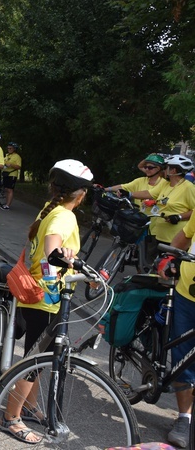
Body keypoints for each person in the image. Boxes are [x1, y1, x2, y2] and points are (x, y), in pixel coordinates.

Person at [0, 159, 93, 444]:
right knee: (35, 360)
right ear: (81, 194)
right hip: (47, 297)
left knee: (41, 357)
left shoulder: (50, 209)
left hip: (39, 293)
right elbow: (51, 256)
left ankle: (27, 405)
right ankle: (10, 417)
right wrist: (81, 269)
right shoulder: (64, 216)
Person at [157, 220, 195, 447]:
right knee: (184, 357)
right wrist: (169, 258)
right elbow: (184, 235)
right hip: (187, 296)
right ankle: (184, 418)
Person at [126, 155, 195, 246]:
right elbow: (149, 193)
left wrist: (179, 217)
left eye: (165, 168)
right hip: (158, 234)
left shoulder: (188, 187)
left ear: (173, 171)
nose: (163, 170)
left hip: (174, 238)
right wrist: (129, 194)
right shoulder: (165, 184)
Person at [1, 142, 22, 210]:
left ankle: (8, 205)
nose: (9, 149)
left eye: (10, 148)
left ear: (14, 149)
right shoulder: (7, 155)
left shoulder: (17, 156)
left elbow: (19, 166)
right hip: (6, 173)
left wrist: (11, 165)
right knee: (6, 189)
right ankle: (6, 203)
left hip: (12, 174)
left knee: (10, 189)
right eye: (8, 148)